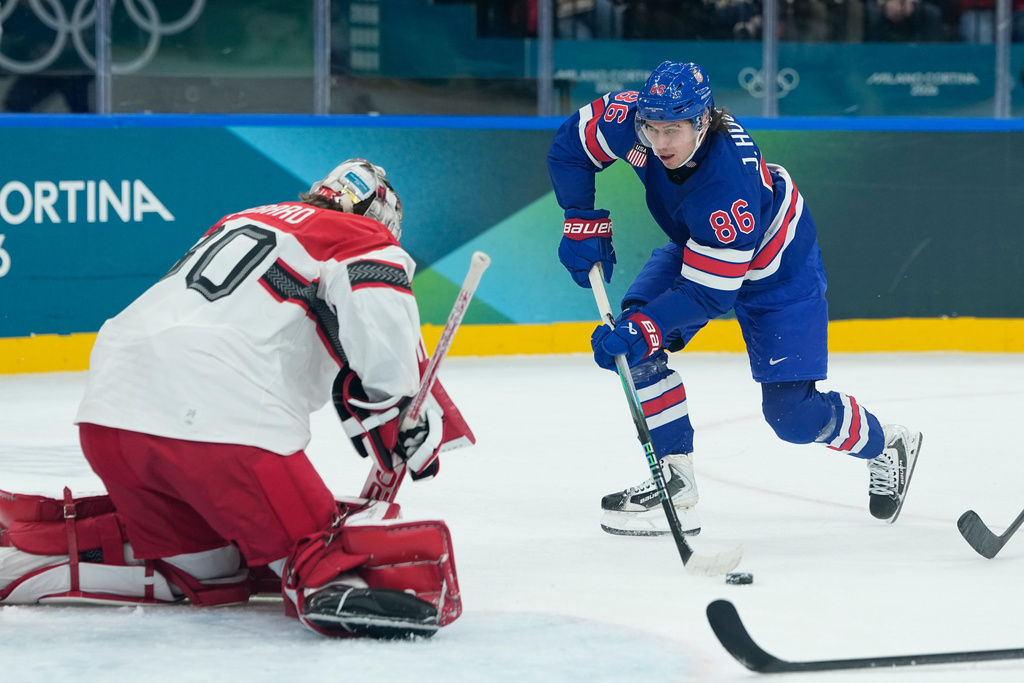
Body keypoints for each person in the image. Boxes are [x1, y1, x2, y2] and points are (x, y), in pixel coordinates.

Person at [0, 159, 472, 640]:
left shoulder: (245, 218)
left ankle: (12, 559)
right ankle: (323, 576)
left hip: (109, 411)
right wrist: (406, 411)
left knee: (208, 569)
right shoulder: (363, 237)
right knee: (321, 558)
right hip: (218, 423)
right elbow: (384, 335)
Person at [547, 61, 923, 537]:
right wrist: (581, 217)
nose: (660, 142)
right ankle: (674, 482)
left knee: (793, 416)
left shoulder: (728, 188)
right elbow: (571, 145)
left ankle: (887, 444)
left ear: (702, 121)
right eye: (652, 128)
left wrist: (646, 331)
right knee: (637, 340)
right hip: (700, 246)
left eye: (674, 130)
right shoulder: (635, 121)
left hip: (778, 268)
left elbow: (709, 293)